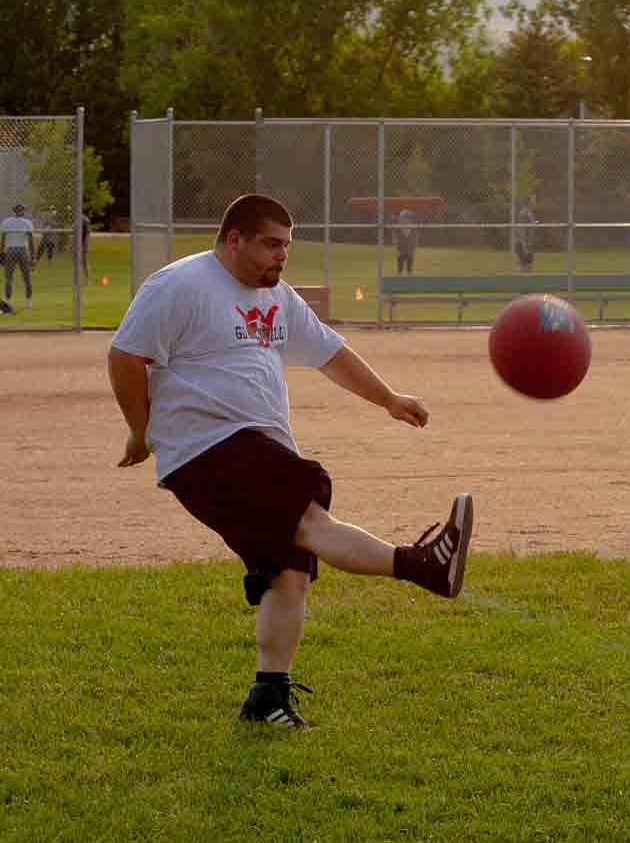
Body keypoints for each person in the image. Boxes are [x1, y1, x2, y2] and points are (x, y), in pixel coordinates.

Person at [108, 194, 473, 730]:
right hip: (209, 446)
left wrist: (389, 399)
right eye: (271, 244)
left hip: (257, 446)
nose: (282, 255)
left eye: (287, 245)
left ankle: (267, 697)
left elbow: (329, 353)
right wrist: (141, 431)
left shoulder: (277, 296)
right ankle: (423, 566)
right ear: (235, 240)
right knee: (309, 521)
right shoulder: (180, 285)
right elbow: (125, 355)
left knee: (288, 571)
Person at [0, 204, 35, 307]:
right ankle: (27, 301)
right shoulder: (27, 222)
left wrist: (2, 252)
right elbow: (31, 241)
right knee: (25, 277)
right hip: (20, 249)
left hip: (12, 250)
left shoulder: (6, 221)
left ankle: (10, 300)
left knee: (10, 277)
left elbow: (3, 239)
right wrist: (33, 257)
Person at [515, 197, 537, 272]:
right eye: (533, 201)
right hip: (522, 243)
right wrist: (524, 246)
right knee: (523, 268)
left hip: (528, 243)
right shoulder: (523, 213)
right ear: (528, 202)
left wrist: (534, 224)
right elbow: (522, 230)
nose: (534, 203)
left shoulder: (529, 212)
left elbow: (529, 225)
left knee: (529, 267)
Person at [396, 208, 418, 274]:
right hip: (401, 248)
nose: (400, 220)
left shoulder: (413, 227)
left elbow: (415, 237)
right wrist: (397, 245)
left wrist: (414, 247)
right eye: (401, 218)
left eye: (403, 218)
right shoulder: (398, 227)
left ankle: (409, 273)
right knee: (400, 263)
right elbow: (396, 238)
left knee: (409, 264)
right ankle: (399, 273)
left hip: (409, 248)